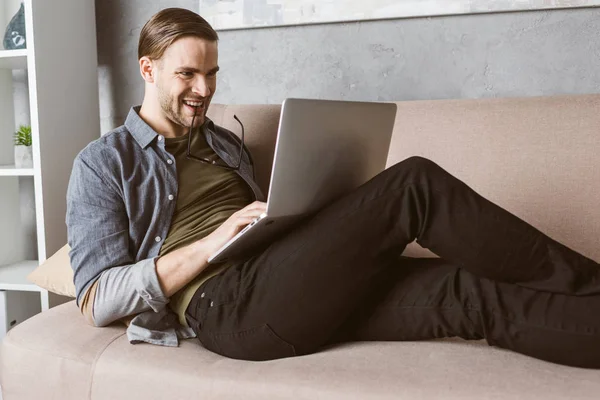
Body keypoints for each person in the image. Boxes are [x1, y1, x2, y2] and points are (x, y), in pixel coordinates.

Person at [66, 7, 600, 368]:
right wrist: (211, 245)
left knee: (466, 292)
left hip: (287, 280)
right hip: (228, 308)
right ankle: (589, 281)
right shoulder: (103, 163)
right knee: (414, 182)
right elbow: (96, 300)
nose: (204, 90)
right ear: (148, 69)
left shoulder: (225, 143)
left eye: (212, 73)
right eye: (187, 75)